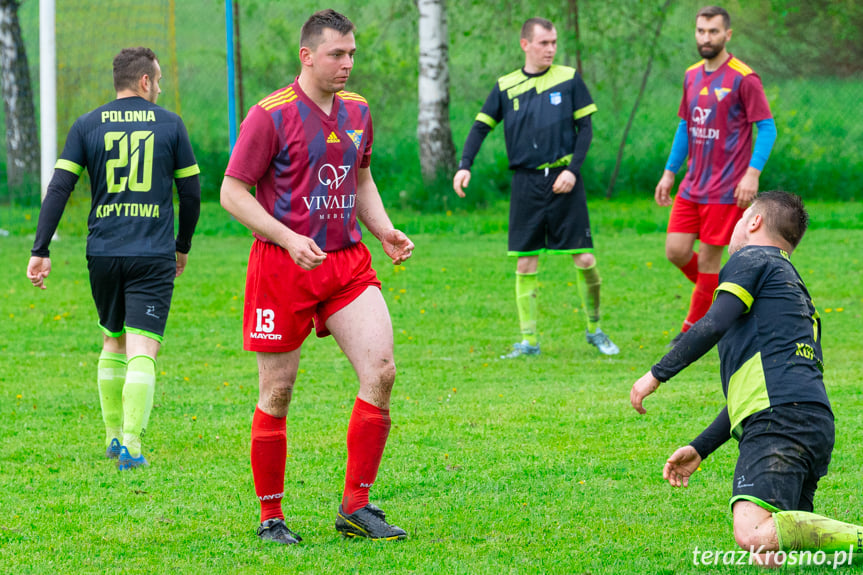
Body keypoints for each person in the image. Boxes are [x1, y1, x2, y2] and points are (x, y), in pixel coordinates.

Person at [220, 9, 413, 545]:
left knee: (382, 370)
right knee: (277, 391)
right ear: (307, 56)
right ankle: (271, 516)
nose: (347, 63)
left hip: (346, 264)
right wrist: (285, 236)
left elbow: (362, 176)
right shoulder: (269, 115)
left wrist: (385, 230)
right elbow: (232, 192)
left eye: (351, 53)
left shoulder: (359, 110)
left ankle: (356, 506)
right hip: (282, 269)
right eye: (336, 54)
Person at [630, 191, 863, 567]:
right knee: (766, 553)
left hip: (780, 420)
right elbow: (761, 386)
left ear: (753, 222)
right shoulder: (796, 295)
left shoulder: (753, 258)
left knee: (752, 533)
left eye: (740, 220)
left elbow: (715, 321)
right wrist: (701, 447)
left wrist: (656, 375)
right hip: (809, 420)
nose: (735, 229)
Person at [26, 47, 201, 471]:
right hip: (151, 252)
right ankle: (133, 447)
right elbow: (191, 195)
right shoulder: (171, 125)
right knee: (144, 347)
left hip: (102, 251)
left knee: (112, 338)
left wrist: (40, 248)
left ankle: (110, 438)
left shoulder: (87, 124)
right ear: (144, 81)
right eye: (157, 80)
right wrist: (182, 245)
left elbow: (59, 189)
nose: (159, 88)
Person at [453, 18, 618, 359]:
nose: (551, 49)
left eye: (554, 42)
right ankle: (529, 342)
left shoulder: (569, 79)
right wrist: (464, 165)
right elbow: (480, 127)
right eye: (544, 43)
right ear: (525, 44)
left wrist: (572, 170)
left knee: (585, 258)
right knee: (525, 264)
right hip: (526, 184)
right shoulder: (506, 85)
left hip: (564, 182)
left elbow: (585, 129)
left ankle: (595, 330)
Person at [655, 5, 776, 346]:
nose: (706, 38)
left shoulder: (744, 78)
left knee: (709, 258)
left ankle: (691, 331)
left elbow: (766, 129)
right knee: (676, 251)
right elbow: (685, 126)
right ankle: (727, 301)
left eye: (713, 32)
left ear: (728, 35)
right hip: (692, 185)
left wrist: (751, 175)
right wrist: (669, 173)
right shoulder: (691, 74)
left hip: (726, 189)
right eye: (701, 31)